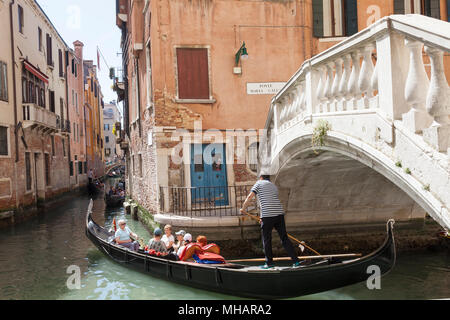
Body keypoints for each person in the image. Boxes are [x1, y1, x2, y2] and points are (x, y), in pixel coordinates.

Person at [241, 174, 300, 269]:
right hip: (279, 215)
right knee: (284, 238)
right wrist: (262, 217)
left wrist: (243, 208)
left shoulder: (258, 183)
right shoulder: (273, 186)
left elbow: (249, 197)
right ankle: (296, 261)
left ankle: (269, 263)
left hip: (268, 216)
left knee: (266, 240)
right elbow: (270, 201)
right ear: (269, 178)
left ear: (261, 178)